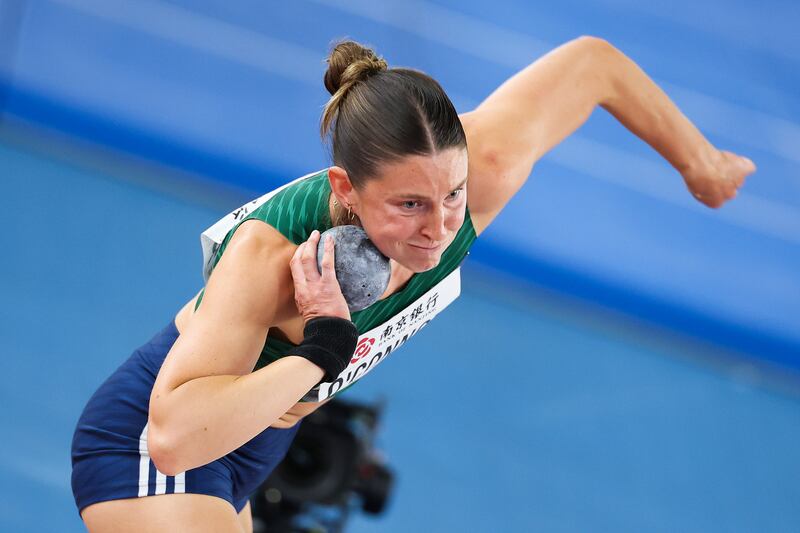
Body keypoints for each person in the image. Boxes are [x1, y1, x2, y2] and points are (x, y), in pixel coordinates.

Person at [71, 37, 755, 532]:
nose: (438, 229)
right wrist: (322, 349)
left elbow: (592, 65)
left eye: (451, 194)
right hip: (153, 445)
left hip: (255, 446)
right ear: (346, 189)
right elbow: (173, 438)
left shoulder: (482, 171)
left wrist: (701, 162)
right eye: (409, 205)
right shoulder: (271, 255)